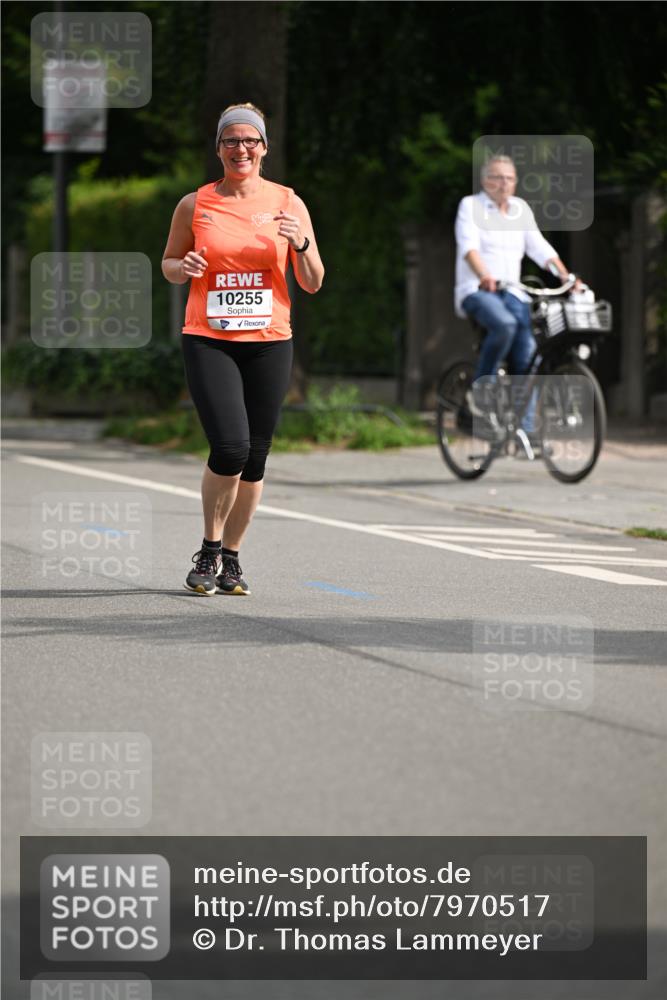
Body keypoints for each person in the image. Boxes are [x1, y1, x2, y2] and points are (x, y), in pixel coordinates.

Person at [162, 102, 324, 596]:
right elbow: (168, 263)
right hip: (209, 337)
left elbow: (314, 281)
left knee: (256, 457)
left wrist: (300, 246)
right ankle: (208, 548)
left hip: (270, 341)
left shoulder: (289, 203)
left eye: (250, 141)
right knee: (230, 446)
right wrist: (183, 267)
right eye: (230, 141)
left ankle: (232, 558)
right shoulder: (196, 204)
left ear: (264, 148)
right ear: (218, 149)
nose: (241, 149)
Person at [454, 155, 579, 435]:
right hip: (477, 291)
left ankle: (526, 429)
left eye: (510, 178)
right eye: (498, 177)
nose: (504, 184)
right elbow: (468, 247)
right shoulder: (470, 206)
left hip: (513, 294)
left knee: (528, 355)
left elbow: (539, 247)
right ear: (486, 181)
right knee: (505, 325)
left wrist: (566, 277)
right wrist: (484, 274)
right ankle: (480, 394)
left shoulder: (520, 210)